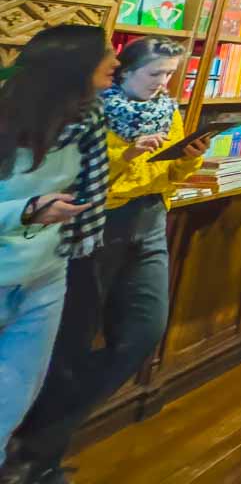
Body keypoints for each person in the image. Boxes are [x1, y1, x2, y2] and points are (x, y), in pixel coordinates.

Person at [10, 38, 208, 482]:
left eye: (169, 75)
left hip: (150, 221)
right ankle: (38, 458)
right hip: (100, 227)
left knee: (145, 330)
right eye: (154, 74)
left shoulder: (167, 111)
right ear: (123, 72)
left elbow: (167, 177)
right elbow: (84, 185)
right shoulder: (93, 115)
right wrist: (129, 156)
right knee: (71, 345)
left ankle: (37, 437)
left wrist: (185, 160)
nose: (163, 83)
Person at [0, 27, 113, 471]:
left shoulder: (88, 122)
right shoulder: (8, 119)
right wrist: (24, 211)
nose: (116, 60)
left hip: (46, 276)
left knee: (12, 401)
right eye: (105, 53)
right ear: (71, 66)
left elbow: (88, 195)